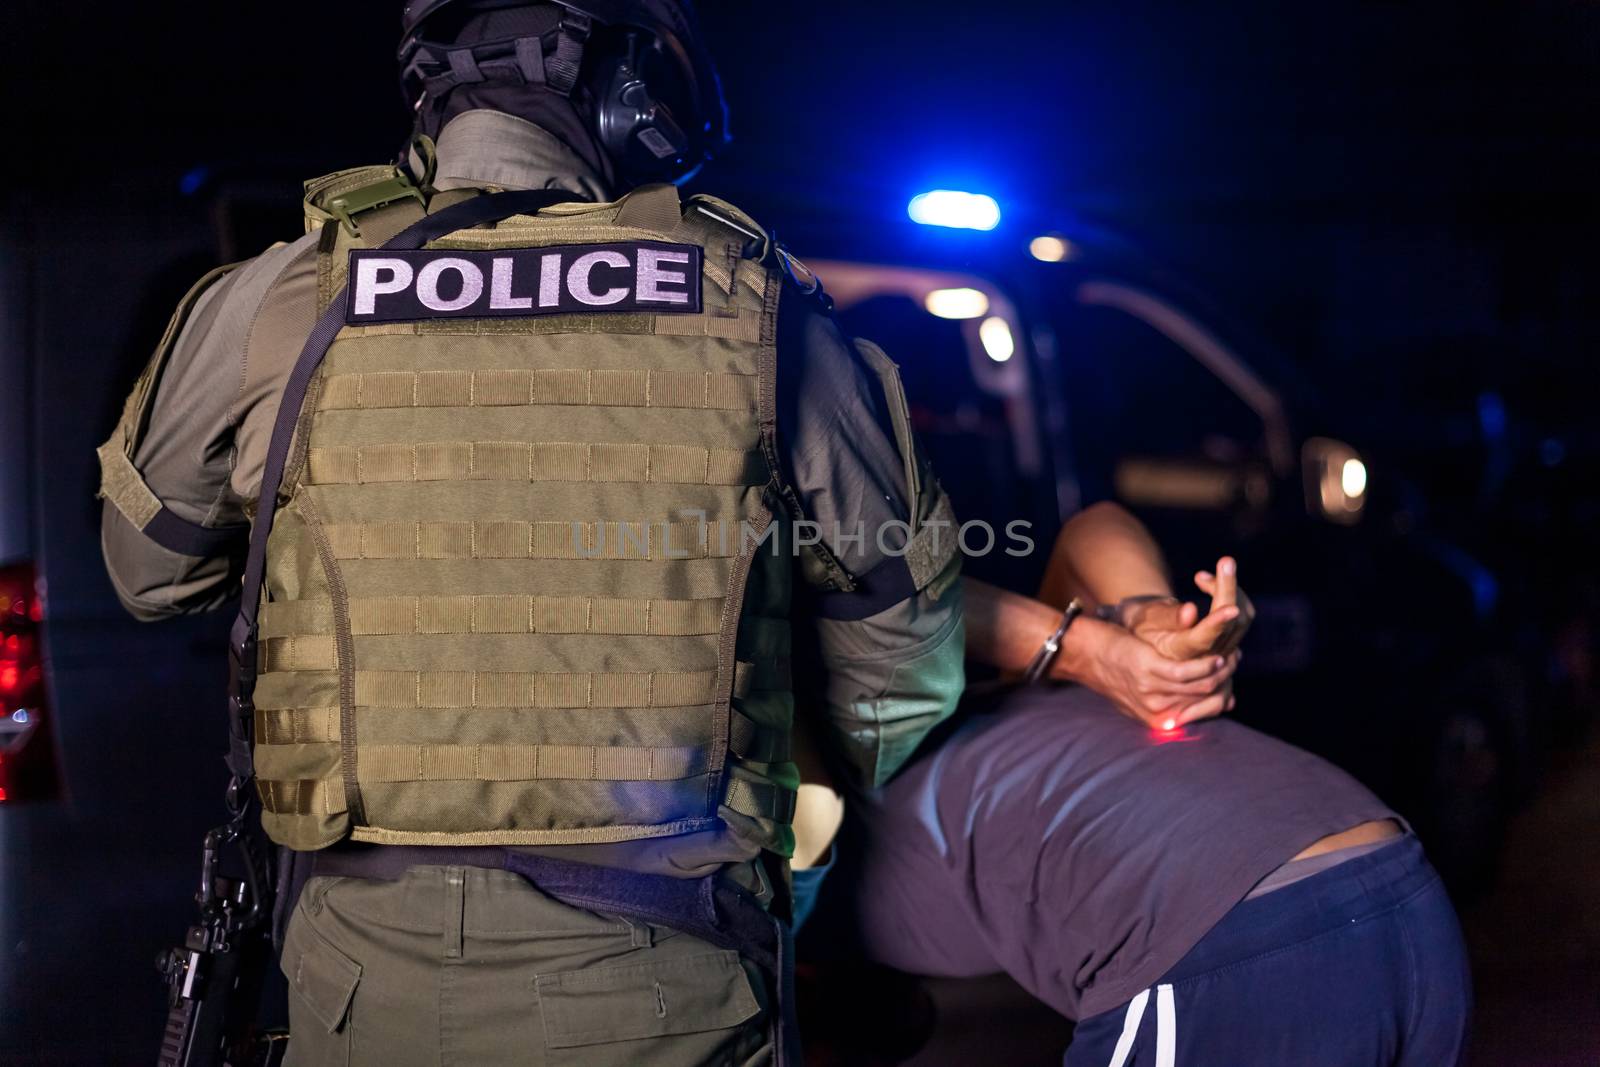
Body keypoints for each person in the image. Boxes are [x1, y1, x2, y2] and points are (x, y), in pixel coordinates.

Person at [96, 3, 965, 1063]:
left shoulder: (280, 297)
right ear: (628, 95)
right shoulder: (757, 309)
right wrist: (797, 790)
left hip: (356, 990)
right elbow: (905, 661)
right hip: (662, 987)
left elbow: (145, 573)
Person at [808, 501, 1472, 1066]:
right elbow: (1092, 529)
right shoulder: (1023, 700)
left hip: (1237, 946)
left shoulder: (801, 856)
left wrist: (1140, 624)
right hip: (1406, 897)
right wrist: (1140, 623)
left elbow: (855, 600)